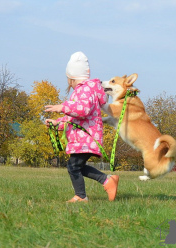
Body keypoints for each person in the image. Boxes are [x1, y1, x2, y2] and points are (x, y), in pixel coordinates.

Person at [45, 51, 119, 202]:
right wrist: (57, 123)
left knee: (73, 167)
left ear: (72, 78)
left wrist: (62, 107)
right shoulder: (86, 90)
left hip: (85, 138)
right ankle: (108, 180)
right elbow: (73, 116)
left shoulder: (84, 90)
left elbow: (82, 110)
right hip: (84, 138)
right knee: (76, 166)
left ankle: (81, 196)